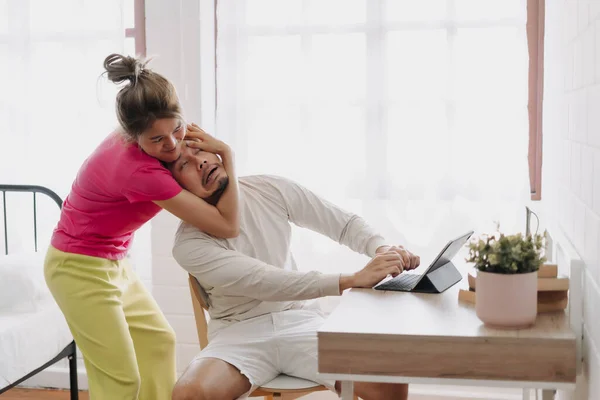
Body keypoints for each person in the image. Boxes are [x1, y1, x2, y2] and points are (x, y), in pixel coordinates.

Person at [44, 54, 240, 400]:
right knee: (120, 378)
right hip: (76, 268)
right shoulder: (140, 173)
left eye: (176, 128)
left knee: (158, 341)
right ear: (133, 138)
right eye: (157, 140)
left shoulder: (158, 132)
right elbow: (227, 226)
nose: (173, 144)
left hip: (112, 261)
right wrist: (229, 155)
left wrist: (186, 139)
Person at [170, 143, 420, 400]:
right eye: (184, 164)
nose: (199, 161)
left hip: (301, 322)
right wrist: (352, 280)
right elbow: (264, 280)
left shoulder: (268, 189)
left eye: (199, 150)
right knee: (188, 394)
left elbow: (342, 224)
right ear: (172, 185)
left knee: (390, 377)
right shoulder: (188, 244)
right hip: (237, 335)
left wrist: (383, 250)